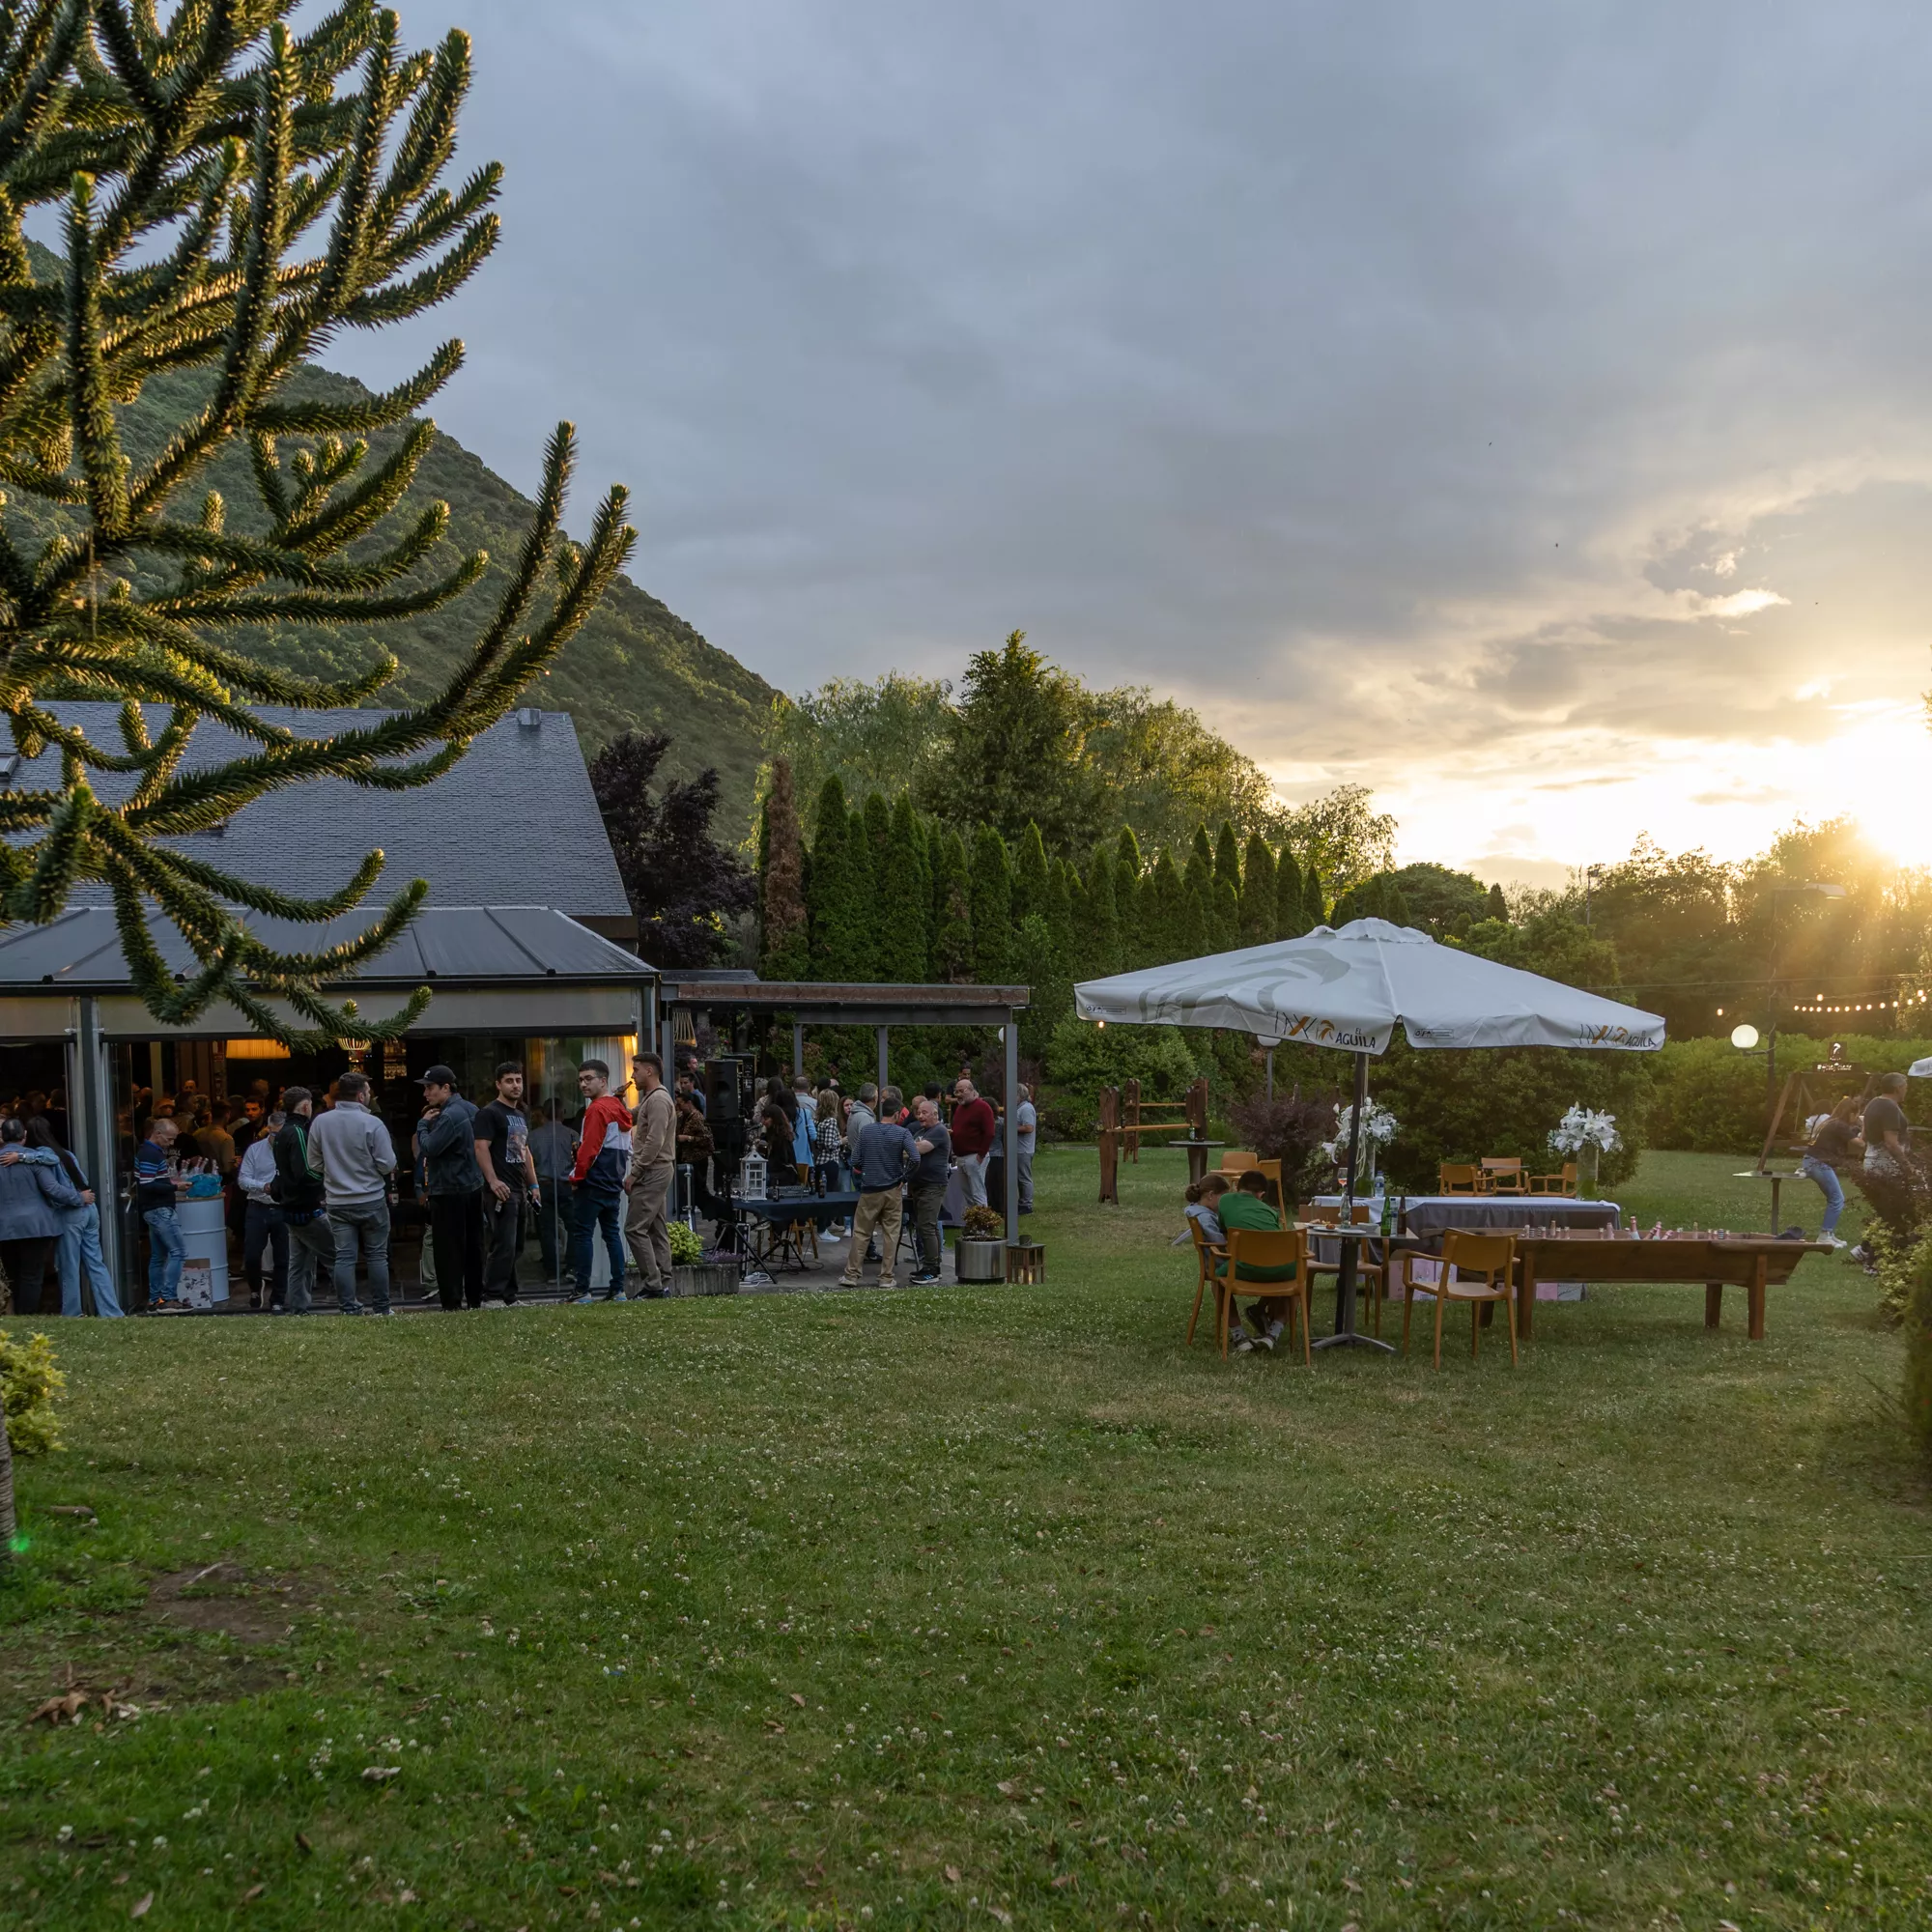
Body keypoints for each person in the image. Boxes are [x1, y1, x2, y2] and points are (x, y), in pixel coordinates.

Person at [306, 1070, 398, 1315]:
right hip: (370, 1198)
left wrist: (334, 1169)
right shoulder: (372, 1123)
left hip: (337, 1200)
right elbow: (388, 1164)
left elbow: (313, 1163)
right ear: (360, 1095)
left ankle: (348, 1308)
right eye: (367, 1092)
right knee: (377, 1256)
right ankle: (382, 1308)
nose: (369, 1096)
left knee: (344, 1257)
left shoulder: (321, 1122)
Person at [16, 1120, 124, 1319]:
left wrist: (20, 1156)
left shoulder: (42, 1153)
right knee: (95, 1263)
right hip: (90, 1209)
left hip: (71, 1211)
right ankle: (112, 1312)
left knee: (69, 1265)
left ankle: (72, 1313)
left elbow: (48, 1162)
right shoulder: (66, 1153)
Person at [416, 1065, 486, 1310]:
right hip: (472, 1186)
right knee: (473, 1247)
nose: (426, 1093)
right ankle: (475, 1299)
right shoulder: (471, 1109)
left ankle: (452, 1303)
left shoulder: (448, 1115)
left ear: (446, 1087)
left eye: (430, 1088)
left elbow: (430, 1148)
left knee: (448, 1251)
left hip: (449, 1190)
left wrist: (422, 1125)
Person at [0, 1116, 85, 1315]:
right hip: (36, 1225)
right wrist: (80, 1197)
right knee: (32, 1275)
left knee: (12, 1274)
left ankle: (16, 1315)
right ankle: (27, 1315)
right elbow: (53, 1189)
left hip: (4, 1226)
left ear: (2, 1136)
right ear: (24, 1136)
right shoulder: (35, 1158)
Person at [567, 1059, 632, 1302]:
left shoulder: (596, 1109)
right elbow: (629, 1148)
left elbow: (589, 1149)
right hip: (613, 1180)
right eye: (580, 1080)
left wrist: (576, 1176)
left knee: (583, 1235)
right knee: (612, 1234)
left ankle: (582, 1291)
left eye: (588, 1079)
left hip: (593, 1182)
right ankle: (617, 1289)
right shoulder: (619, 1108)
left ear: (603, 1081)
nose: (583, 1084)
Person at [841, 1087, 918, 1290]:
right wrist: (905, 1177)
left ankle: (852, 1275)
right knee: (891, 1234)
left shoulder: (867, 1131)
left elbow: (855, 1159)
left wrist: (864, 1169)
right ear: (896, 1114)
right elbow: (915, 1158)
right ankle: (886, 1276)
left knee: (861, 1232)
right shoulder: (903, 1133)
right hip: (893, 1188)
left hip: (869, 1189)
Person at [476, 1062, 539, 1307]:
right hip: (500, 1189)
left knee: (516, 1246)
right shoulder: (489, 1113)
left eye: (518, 1080)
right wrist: (492, 1181)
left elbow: (525, 1151)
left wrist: (533, 1186)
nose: (516, 1085)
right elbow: (480, 1148)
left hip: (519, 1188)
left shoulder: (520, 1114)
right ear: (498, 1084)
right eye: (510, 1081)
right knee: (502, 1244)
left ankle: (509, 1296)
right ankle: (491, 1296)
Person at [1214, 1169, 1297, 1350]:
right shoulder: (1271, 1212)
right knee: (1296, 1283)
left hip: (1245, 1267)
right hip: (1281, 1268)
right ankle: (1273, 1334)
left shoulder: (1225, 1200)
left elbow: (1223, 1232)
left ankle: (1239, 1335)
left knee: (1217, 1281)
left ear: (1237, 1187)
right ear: (1261, 1194)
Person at [270, 1088, 332, 1315]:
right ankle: (349, 1302)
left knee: (299, 1263)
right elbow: (304, 1172)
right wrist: (327, 1178)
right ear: (305, 1106)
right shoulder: (297, 1132)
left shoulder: (282, 1133)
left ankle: (298, 1307)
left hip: (290, 1207)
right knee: (337, 1256)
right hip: (306, 1208)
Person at [624, 1052, 677, 1296]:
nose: (632, 1075)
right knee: (656, 1228)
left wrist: (634, 1173)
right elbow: (629, 1118)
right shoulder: (652, 1098)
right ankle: (663, 1283)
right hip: (657, 1169)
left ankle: (653, 1286)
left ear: (649, 1071)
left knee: (634, 1229)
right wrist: (616, 1101)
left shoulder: (657, 1101)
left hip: (652, 1171)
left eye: (635, 1070)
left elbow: (654, 1142)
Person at [236, 1110, 289, 1309]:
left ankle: (278, 1298)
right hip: (258, 1206)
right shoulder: (255, 1150)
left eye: (281, 1135)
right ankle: (255, 1288)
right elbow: (243, 1179)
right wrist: (264, 1186)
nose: (277, 1139)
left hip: (282, 1207)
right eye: (274, 1134)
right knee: (251, 1254)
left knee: (282, 1256)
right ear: (268, 1130)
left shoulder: (291, 1150)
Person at [134, 1114, 186, 1310]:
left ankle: (156, 1299)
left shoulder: (147, 1151)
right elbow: (147, 1185)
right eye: (169, 1138)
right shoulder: (150, 1153)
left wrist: (170, 1182)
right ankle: (168, 1298)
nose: (171, 1143)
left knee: (158, 1256)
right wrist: (175, 1188)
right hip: (159, 1209)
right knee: (178, 1252)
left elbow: (150, 1181)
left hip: (153, 1209)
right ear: (157, 1133)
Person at [1801, 1095, 1859, 1249]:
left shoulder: (1831, 1122)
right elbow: (1860, 1144)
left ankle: (1829, 1234)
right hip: (1819, 1163)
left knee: (1834, 1198)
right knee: (1837, 1199)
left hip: (1812, 1161)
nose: (1857, 1118)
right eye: (1856, 1114)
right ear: (1850, 1114)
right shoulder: (1840, 1125)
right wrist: (1865, 1126)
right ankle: (1824, 1236)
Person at [529, 1100, 578, 1284]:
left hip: (542, 1186)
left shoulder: (533, 1137)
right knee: (573, 1227)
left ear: (543, 1113)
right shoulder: (572, 1135)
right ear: (562, 1113)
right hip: (566, 1185)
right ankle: (572, 1267)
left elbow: (528, 1163)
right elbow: (578, 1161)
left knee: (546, 1230)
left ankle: (551, 1271)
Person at [906, 1094, 951, 1285]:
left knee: (927, 1226)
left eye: (924, 1113)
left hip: (932, 1186)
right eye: (918, 1113)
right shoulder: (920, 1132)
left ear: (935, 1114)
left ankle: (931, 1269)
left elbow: (919, 1149)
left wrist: (907, 1147)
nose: (920, 1116)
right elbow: (909, 1150)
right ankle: (932, 1265)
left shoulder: (939, 1131)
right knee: (925, 1225)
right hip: (918, 1185)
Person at [950, 1078, 997, 1208]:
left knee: (977, 1192)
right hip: (960, 1156)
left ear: (971, 1091)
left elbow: (990, 1132)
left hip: (975, 1155)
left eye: (961, 1091)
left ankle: (982, 1227)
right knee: (967, 1194)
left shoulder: (983, 1107)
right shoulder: (959, 1108)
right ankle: (973, 1224)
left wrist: (981, 1155)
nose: (958, 1095)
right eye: (956, 1092)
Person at [674, 1089, 716, 1224]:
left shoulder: (697, 1118)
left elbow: (708, 1140)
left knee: (699, 1191)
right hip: (685, 1159)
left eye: (680, 1104)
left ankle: (713, 1211)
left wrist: (688, 1138)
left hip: (697, 1160)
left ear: (689, 1103)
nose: (679, 1107)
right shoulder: (682, 1117)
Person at [813, 1089, 843, 1191]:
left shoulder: (818, 1121)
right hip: (829, 1162)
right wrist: (842, 1141)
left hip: (819, 1161)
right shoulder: (831, 1121)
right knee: (831, 1192)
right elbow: (829, 1144)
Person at [1014, 1083, 1037, 1214]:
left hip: (1024, 1149)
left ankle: (1027, 1204)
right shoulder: (1020, 1108)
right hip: (1019, 1149)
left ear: (1020, 1095)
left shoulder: (1026, 1109)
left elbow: (1029, 1128)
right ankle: (1022, 1201)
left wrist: (1012, 1128)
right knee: (1020, 1177)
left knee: (1024, 1177)